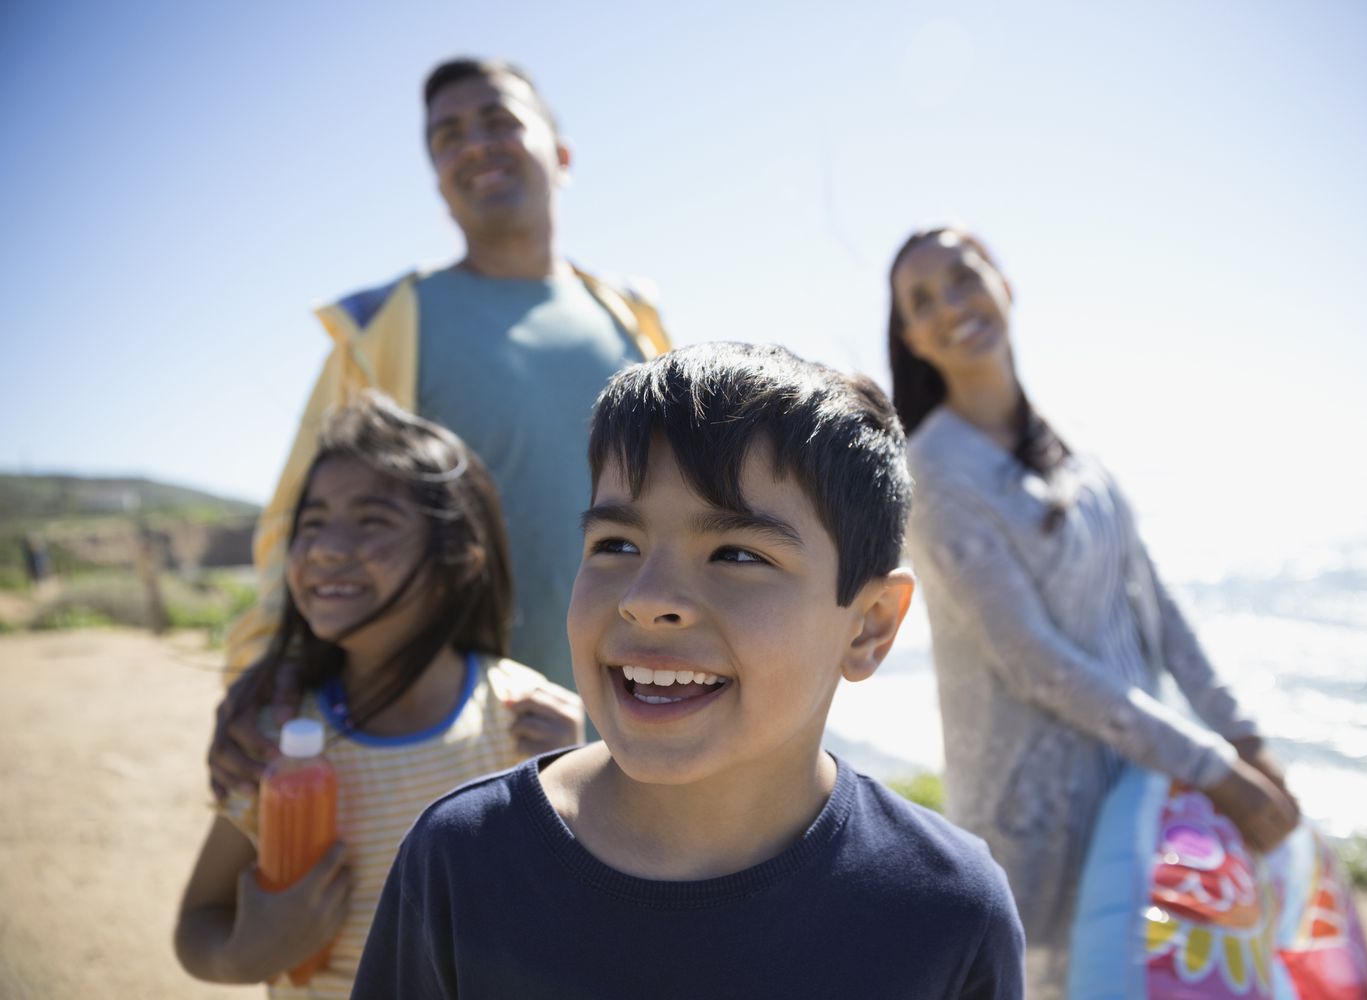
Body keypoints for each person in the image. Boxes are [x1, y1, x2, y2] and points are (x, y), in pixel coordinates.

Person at [348, 343, 1025, 999]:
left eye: (735, 554)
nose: (646, 599)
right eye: (615, 544)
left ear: (871, 623)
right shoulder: (463, 862)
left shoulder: (947, 909)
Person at [210, 56, 671, 797]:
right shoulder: (388, 325)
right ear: (437, 179)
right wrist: (273, 661)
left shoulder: (634, 324)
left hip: (635, 727)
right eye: (448, 136)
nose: (474, 144)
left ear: (560, 154)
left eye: (498, 121)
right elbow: (303, 517)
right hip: (447, 746)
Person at [887, 225, 1301, 996]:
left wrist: (1240, 734)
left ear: (1004, 282)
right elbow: (1034, 662)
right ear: (912, 337)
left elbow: (1153, 599)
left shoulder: (1069, 442)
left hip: (1139, 791)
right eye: (923, 300)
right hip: (1037, 825)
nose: (951, 304)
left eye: (963, 277)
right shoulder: (934, 472)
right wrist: (1215, 771)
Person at [175, 393, 584, 997]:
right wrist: (244, 953)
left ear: (460, 557)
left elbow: (573, 920)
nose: (324, 548)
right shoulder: (275, 735)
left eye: (372, 522)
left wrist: (567, 785)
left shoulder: (529, 720)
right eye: (311, 523)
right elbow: (196, 925)